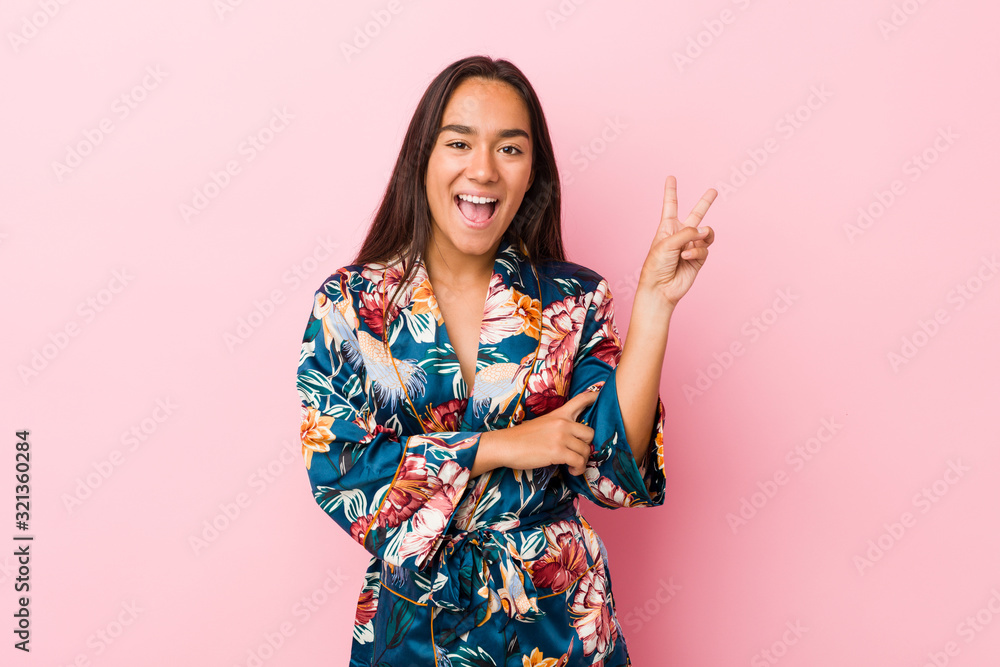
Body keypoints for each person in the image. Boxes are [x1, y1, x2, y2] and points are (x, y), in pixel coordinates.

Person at [296, 55, 716, 666]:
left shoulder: (573, 299)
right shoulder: (352, 304)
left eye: (510, 149)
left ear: (531, 175)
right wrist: (499, 447)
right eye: (459, 142)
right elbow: (339, 468)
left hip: (559, 617)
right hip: (417, 627)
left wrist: (654, 305)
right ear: (423, 158)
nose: (484, 169)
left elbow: (613, 467)